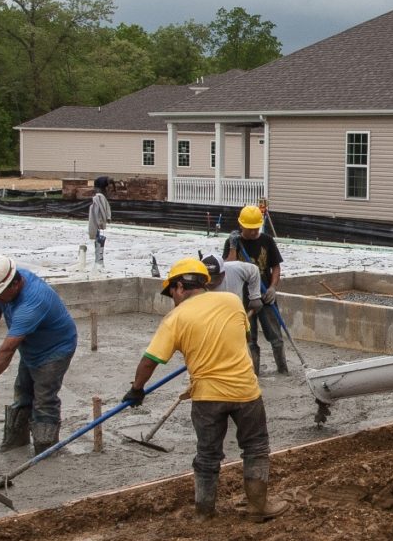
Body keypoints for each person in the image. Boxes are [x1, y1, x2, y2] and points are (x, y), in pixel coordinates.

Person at [120, 257, 272, 519]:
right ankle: (258, 508)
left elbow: (149, 361)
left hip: (207, 398)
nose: (173, 299)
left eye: (172, 294)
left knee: (208, 455)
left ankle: (204, 512)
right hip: (246, 391)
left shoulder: (175, 318)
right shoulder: (233, 301)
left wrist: (136, 390)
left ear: (180, 287)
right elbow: (242, 336)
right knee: (256, 448)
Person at [0, 254, 79, 453]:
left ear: (15, 285)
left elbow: (7, 350)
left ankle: (45, 449)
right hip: (31, 347)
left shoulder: (32, 302)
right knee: (22, 391)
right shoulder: (6, 284)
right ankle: (15, 442)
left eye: (0, 293)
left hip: (55, 350)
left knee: (44, 398)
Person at [222, 203, 288, 374]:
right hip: (242, 300)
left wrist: (273, 288)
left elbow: (276, 267)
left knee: (276, 337)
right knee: (249, 339)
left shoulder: (266, 241)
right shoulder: (232, 242)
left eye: (255, 228)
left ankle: (283, 369)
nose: (253, 232)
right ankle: (253, 374)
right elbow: (227, 267)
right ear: (241, 225)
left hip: (265, 295)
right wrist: (233, 246)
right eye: (249, 229)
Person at [202, 250, 267, 372]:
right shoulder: (194, 281)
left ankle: (249, 374)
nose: (210, 282)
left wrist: (255, 296)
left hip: (235, 318)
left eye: (214, 278)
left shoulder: (235, 269)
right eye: (207, 278)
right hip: (209, 322)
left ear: (222, 273)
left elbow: (254, 270)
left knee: (243, 346)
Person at [86, 176, 112, 268]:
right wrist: (102, 221)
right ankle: (99, 261)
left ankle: (99, 260)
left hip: (96, 223)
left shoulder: (99, 198)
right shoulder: (99, 198)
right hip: (97, 224)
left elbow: (102, 210)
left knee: (98, 240)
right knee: (98, 240)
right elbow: (100, 211)